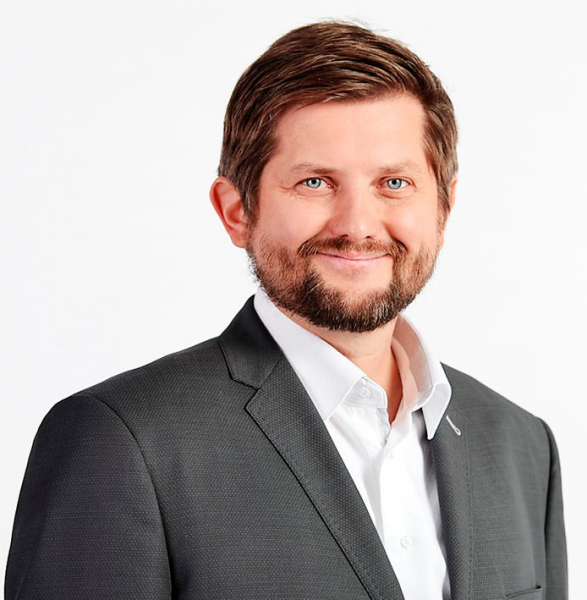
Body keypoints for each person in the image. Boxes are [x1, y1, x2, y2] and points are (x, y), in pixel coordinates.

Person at [5, 21, 567, 600]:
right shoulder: (120, 442)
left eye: (394, 182)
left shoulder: (522, 446)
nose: (357, 225)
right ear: (236, 212)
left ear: (444, 209)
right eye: (315, 182)